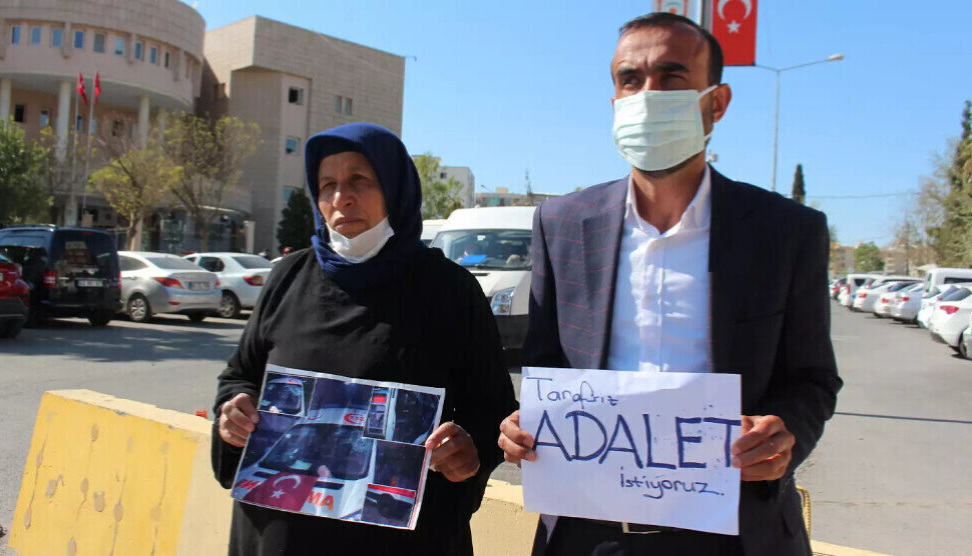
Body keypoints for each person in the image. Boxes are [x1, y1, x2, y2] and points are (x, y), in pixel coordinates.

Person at [497, 12, 841, 556]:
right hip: (589, 534)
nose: (647, 95)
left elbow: (813, 378)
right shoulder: (562, 223)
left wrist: (785, 433)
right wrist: (523, 425)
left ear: (716, 103)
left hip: (735, 534)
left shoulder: (786, 232)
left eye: (671, 77)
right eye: (630, 79)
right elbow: (546, 366)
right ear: (615, 101)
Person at [212, 122, 517, 555]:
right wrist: (234, 412)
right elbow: (240, 375)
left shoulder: (450, 291)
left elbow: (493, 409)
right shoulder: (287, 278)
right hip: (279, 532)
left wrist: (469, 451)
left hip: (402, 540)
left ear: (395, 188)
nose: (342, 198)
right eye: (327, 185)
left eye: (359, 179)